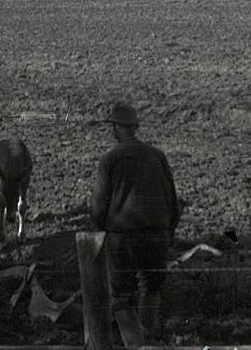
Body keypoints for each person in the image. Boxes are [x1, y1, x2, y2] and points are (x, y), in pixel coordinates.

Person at [89, 102, 180, 342]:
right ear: (135, 127)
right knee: (151, 287)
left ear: (116, 129)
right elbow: (172, 201)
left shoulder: (110, 159)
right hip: (156, 234)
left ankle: (135, 343)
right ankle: (147, 336)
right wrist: (168, 231)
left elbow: (98, 205)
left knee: (122, 296)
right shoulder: (157, 156)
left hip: (124, 237)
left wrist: (102, 230)